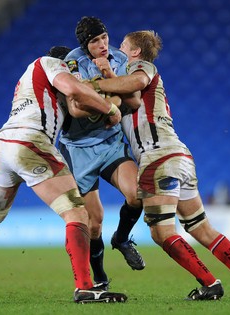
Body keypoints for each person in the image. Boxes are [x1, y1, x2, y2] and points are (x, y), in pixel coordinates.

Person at [0, 46, 128, 304]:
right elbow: (75, 89)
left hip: (5, 145)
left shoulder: (31, 84)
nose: (74, 73)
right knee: (77, 213)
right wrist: (110, 109)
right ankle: (85, 287)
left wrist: (107, 100)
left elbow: (77, 104)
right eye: (72, 68)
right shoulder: (51, 64)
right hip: (30, 142)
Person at [92, 30, 230, 300]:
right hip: (180, 158)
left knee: (161, 232)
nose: (118, 49)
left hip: (158, 158)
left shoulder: (141, 68)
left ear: (136, 52)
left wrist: (96, 82)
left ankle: (210, 284)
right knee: (201, 228)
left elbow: (136, 82)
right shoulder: (126, 81)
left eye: (124, 45)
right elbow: (127, 97)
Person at [59, 16, 145, 289]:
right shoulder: (72, 62)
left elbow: (134, 101)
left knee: (137, 194)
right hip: (79, 149)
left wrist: (108, 75)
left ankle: (121, 238)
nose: (103, 44)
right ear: (85, 45)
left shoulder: (118, 59)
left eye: (104, 37)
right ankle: (100, 278)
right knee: (94, 223)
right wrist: (110, 104)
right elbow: (75, 107)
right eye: (95, 41)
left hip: (110, 144)